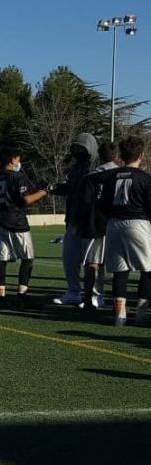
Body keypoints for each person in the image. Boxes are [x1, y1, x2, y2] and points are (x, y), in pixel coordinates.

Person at [98, 136, 151, 327]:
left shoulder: (112, 176)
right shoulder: (145, 178)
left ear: (121, 156)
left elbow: (102, 204)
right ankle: (141, 314)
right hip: (138, 223)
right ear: (141, 156)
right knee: (148, 270)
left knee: (120, 271)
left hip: (114, 224)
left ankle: (120, 315)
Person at [0, 149, 48, 308]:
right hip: (16, 222)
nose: (19, 162)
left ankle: (0, 296)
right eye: (18, 159)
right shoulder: (17, 176)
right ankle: (22, 295)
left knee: (1, 259)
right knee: (28, 258)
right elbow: (25, 200)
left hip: (0, 222)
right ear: (13, 159)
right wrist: (44, 192)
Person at [49, 133, 98, 306]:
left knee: (93, 260)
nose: (77, 151)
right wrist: (54, 188)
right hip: (73, 220)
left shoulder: (96, 166)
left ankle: (94, 295)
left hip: (91, 222)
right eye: (75, 148)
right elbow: (69, 188)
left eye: (81, 148)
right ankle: (73, 291)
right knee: (70, 257)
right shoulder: (76, 168)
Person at [73, 141, 120, 310]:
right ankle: (117, 301)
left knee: (92, 263)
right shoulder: (121, 174)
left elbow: (83, 204)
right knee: (118, 265)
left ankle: (88, 299)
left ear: (100, 156)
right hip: (116, 223)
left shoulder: (89, 177)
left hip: (93, 224)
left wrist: (79, 223)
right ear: (117, 156)